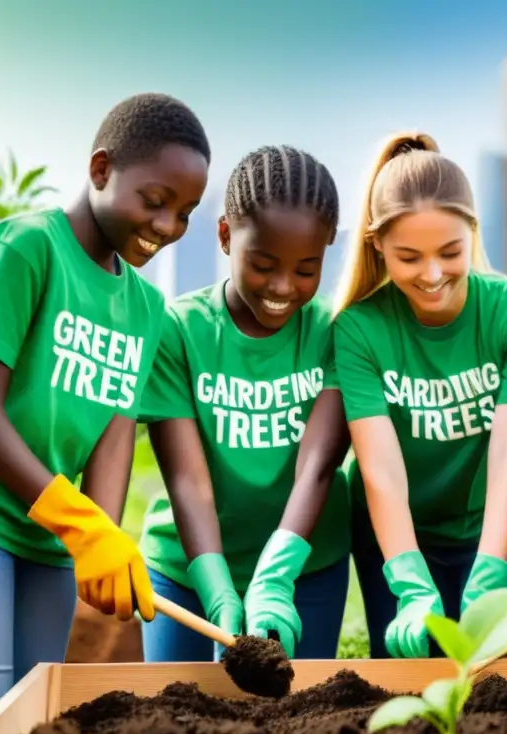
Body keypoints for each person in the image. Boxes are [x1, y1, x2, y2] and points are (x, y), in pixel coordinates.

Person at [0, 92, 211, 734]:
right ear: (100, 170)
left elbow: (116, 430)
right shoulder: (26, 247)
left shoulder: (147, 307)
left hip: (49, 533)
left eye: (184, 212)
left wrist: (107, 535)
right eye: (155, 199)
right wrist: (82, 523)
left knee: (33, 718)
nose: (168, 223)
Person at [331, 132, 507, 660]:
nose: (432, 275)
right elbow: (379, 469)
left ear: (472, 233)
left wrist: (493, 565)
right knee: (413, 662)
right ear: (377, 245)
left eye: (450, 252)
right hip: (403, 534)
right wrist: (408, 579)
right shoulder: (359, 329)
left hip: (503, 526)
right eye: (409, 257)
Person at [137, 144, 351, 662]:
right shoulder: (178, 329)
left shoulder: (336, 333)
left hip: (305, 568)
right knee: (176, 717)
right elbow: (187, 479)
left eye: (307, 268)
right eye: (263, 264)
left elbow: (318, 466)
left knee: (299, 723)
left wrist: (275, 577)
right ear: (226, 234)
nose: (283, 286)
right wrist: (215, 589)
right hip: (187, 568)